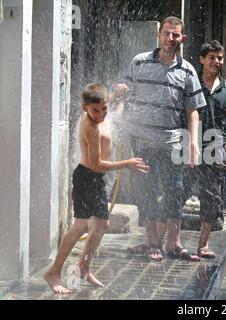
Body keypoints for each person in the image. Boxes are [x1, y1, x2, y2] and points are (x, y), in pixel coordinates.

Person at [44, 83, 149, 294]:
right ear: (85, 108)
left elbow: (106, 105)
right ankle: (53, 272)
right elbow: (96, 164)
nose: (101, 115)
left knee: (101, 225)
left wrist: (116, 97)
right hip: (86, 177)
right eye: (95, 110)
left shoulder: (101, 112)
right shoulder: (90, 127)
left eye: (104, 109)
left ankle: (84, 266)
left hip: (97, 180)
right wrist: (126, 163)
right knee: (82, 226)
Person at [124, 16, 206, 261]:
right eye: (167, 34)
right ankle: (152, 244)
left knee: (175, 193)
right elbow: (125, 94)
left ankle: (173, 243)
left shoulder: (187, 69)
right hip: (143, 143)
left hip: (173, 144)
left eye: (176, 35)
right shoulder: (139, 62)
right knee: (146, 193)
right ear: (159, 35)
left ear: (183, 38)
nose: (171, 38)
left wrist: (194, 142)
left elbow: (193, 109)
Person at [187, 40, 226, 258]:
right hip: (188, 149)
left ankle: (202, 244)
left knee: (211, 199)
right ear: (201, 59)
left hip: (216, 152)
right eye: (212, 57)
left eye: (220, 58)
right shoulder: (191, 86)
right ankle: (173, 243)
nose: (217, 62)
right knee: (177, 193)